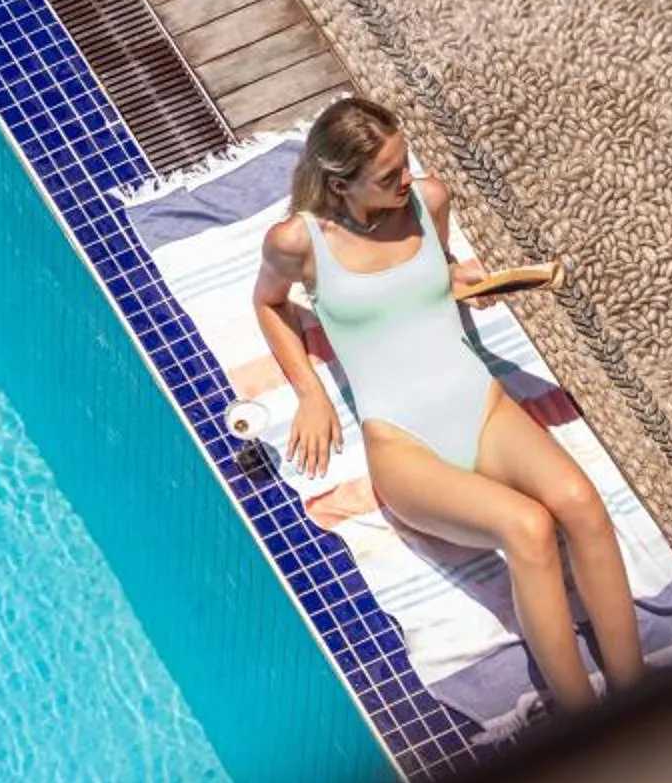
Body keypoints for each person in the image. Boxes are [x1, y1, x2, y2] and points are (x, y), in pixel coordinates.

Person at [250, 97, 645, 708]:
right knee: (528, 527)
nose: (407, 180)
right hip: (404, 443)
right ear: (341, 183)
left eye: (405, 162)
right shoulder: (299, 241)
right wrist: (311, 391)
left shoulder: (428, 199)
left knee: (581, 504)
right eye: (389, 175)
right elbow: (269, 304)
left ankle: (637, 698)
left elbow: (443, 267)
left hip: (484, 409)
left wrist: (465, 282)